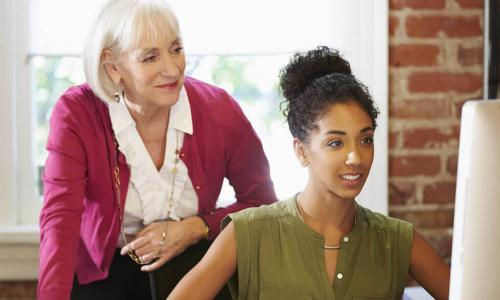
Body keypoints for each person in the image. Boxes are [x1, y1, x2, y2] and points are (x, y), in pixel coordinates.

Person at [37, 0, 277, 299]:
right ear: (113, 67)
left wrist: (197, 227)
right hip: (103, 274)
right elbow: (60, 220)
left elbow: (263, 204)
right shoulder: (76, 113)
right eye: (150, 57)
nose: (172, 68)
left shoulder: (220, 110)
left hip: (196, 265)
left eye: (176, 49)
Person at [168, 46, 451, 300]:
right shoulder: (246, 234)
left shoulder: (397, 240)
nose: (355, 157)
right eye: (335, 143)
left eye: (365, 139)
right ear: (302, 151)